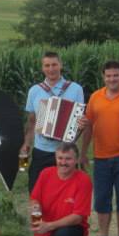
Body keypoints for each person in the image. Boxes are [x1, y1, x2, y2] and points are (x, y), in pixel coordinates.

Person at [78, 60, 119, 236]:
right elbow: (88, 125)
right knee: (102, 199)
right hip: (101, 157)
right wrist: (83, 152)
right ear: (103, 77)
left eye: (116, 75)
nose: (112, 79)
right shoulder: (96, 97)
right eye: (108, 76)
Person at [22, 143, 93, 236]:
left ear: (76, 160)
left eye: (68, 159)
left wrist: (49, 226)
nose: (63, 162)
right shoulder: (45, 173)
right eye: (60, 158)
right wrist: (36, 214)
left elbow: (78, 217)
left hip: (71, 228)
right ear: (55, 158)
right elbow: (34, 199)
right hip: (47, 228)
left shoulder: (83, 180)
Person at [20, 51, 85, 193]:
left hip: (66, 152)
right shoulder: (34, 91)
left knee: (66, 194)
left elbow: (79, 123)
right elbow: (31, 122)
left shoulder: (75, 89)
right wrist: (26, 144)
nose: (51, 69)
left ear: (60, 65)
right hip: (41, 150)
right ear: (42, 68)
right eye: (47, 65)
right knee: (36, 192)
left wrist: (78, 131)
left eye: (54, 64)